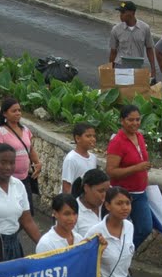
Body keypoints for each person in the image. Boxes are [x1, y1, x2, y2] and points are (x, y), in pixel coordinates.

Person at [106, 104, 154, 249]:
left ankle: (126, 253)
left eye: (138, 120)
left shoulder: (139, 136)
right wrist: (136, 168)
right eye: (131, 120)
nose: (135, 123)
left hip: (140, 193)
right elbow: (111, 171)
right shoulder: (117, 142)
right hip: (122, 196)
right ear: (122, 120)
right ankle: (116, 257)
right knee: (117, 231)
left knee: (145, 228)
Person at [0, 98, 40, 212]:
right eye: (14, 111)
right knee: (11, 211)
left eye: (19, 110)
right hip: (7, 180)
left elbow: (30, 148)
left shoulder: (25, 130)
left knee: (27, 211)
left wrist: (37, 163)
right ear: (5, 113)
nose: (18, 113)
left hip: (25, 179)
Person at [108, 0, 157, 78]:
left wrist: (153, 69)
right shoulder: (116, 30)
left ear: (132, 13)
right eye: (120, 12)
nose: (120, 15)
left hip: (137, 69)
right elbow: (113, 52)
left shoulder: (145, 28)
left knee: (135, 90)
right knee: (121, 90)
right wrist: (110, 70)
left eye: (123, 12)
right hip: (120, 67)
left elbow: (149, 49)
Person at [72, 167, 109, 236]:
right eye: (100, 191)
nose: (104, 196)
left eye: (107, 191)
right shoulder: (73, 212)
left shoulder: (109, 207)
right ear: (86, 188)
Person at [61, 123, 97, 194]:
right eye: (88, 136)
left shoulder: (93, 158)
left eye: (94, 136)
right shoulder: (71, 159)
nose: (93, 139)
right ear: (78, 138)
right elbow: (66, 188)